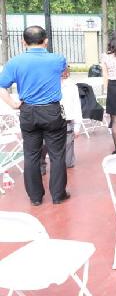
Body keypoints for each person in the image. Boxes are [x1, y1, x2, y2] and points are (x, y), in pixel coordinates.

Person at [0, 25, 70, 205]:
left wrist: (13, 104)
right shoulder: (57, 59)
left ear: (23, 42)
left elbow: (1, 86)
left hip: (28, 111)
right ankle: (58, 195)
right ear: (46, 41)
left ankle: (35, 197)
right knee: (57, 154)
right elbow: (65, 73)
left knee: (31, 155)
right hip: (51, 111)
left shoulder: (14, 62)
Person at [41, 65, 83, 174]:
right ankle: (41, 163)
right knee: (43, 143)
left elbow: (76, 106)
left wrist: (77, 126)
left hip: (66, 120)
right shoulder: (45, 84)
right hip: (48, 120)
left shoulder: (72, 86)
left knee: (68, 163)